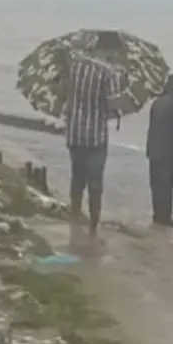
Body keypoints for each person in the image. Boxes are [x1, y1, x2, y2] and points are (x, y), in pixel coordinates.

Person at [63, 44, 122, 239]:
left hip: (74, 131)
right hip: (95, 136)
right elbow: (113, 104)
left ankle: (75, 215)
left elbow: (64, 92)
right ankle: (93, 226)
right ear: (105, 51)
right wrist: (117, 106)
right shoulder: (108, 72)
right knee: (95, 182)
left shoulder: (73, 66)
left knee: (77, 177)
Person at [145, 89, 173, 228]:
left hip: (154, 147)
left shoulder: (157, 103)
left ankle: (158, 214)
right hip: (168, 149)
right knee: (167, 183)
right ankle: (165, 216)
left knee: (156, 183)